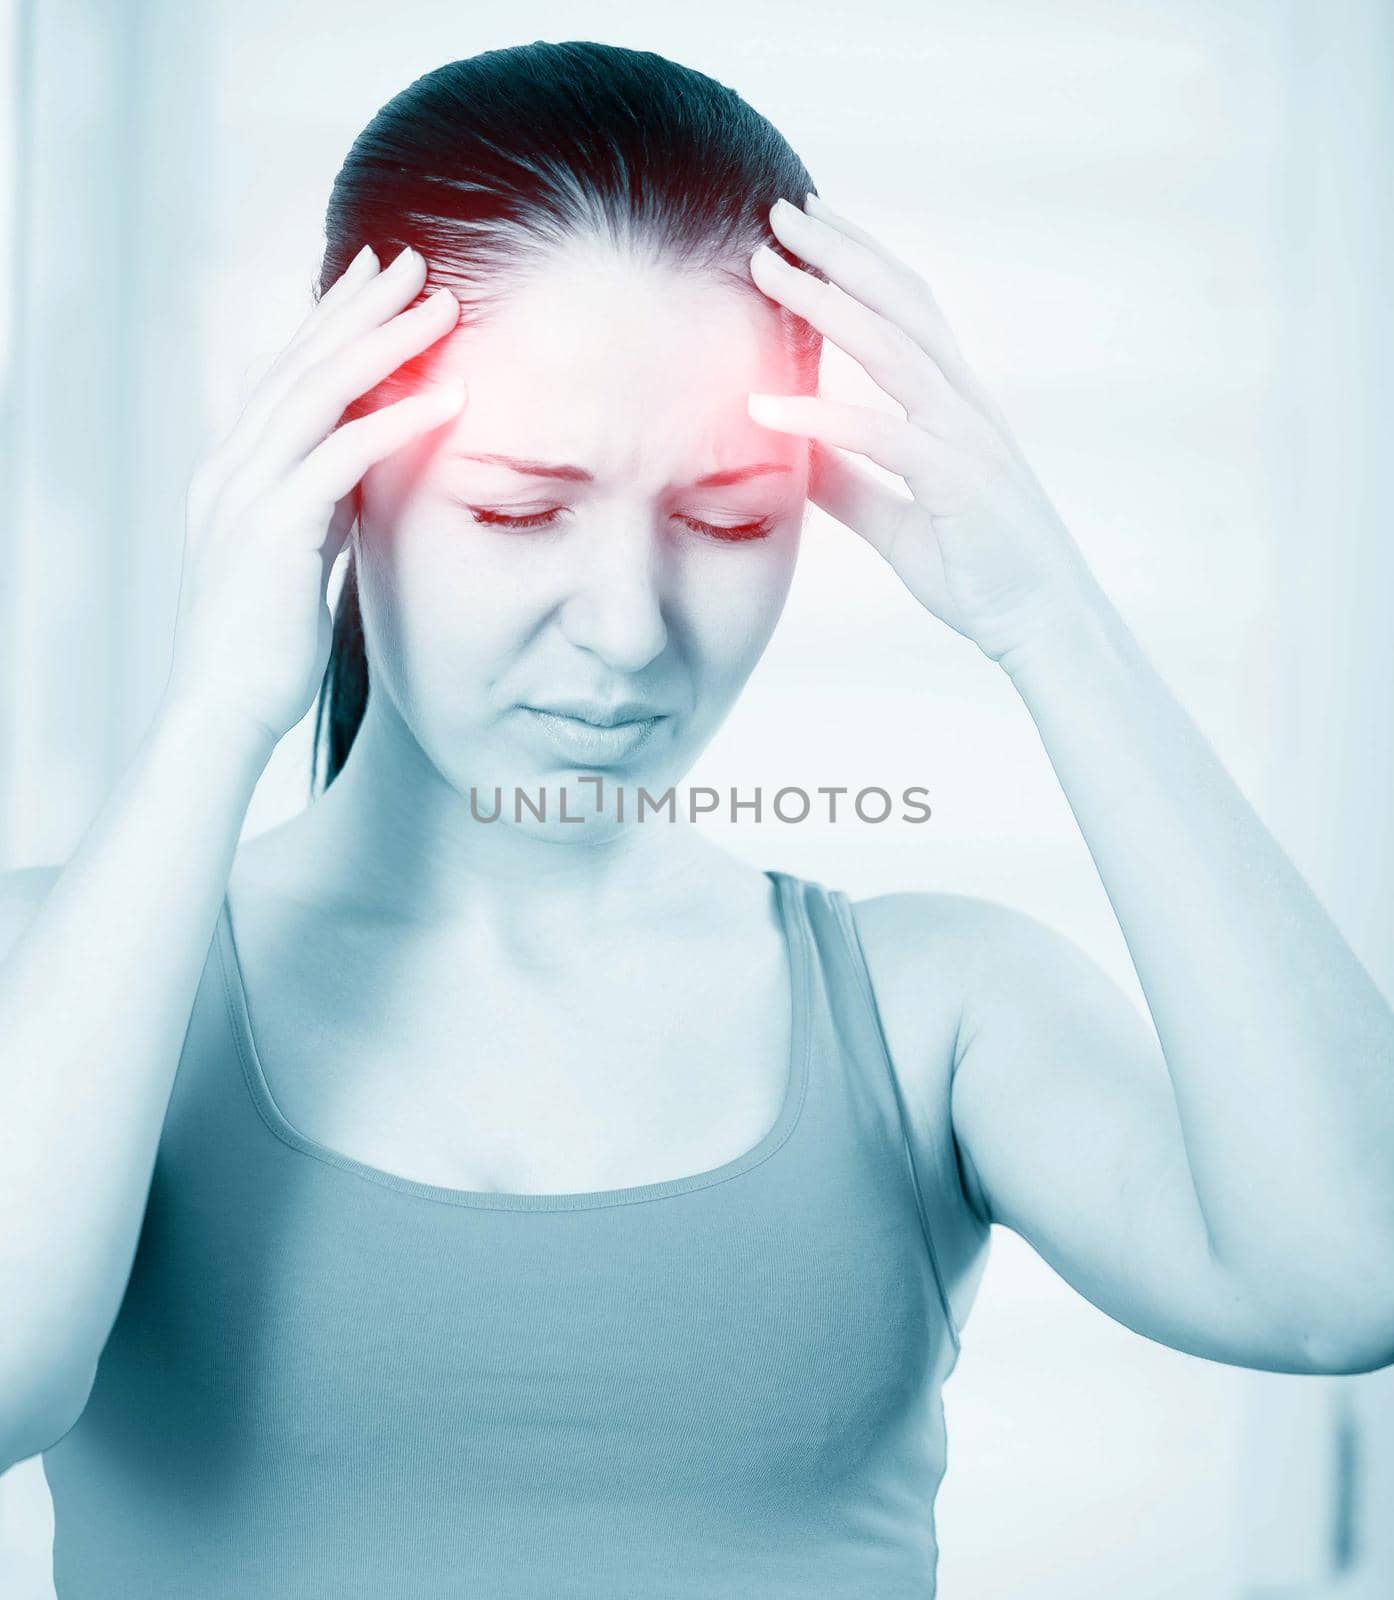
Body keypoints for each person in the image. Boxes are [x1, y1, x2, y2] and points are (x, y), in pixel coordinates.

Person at [2, 38, 1392, 1600]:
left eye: (728, 516)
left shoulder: (934, 1011)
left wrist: (1044, 613)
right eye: (519, 510)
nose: (629, 626)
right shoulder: (71, 973)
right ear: (340, 478)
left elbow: (1345, 1278)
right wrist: (217, 703)